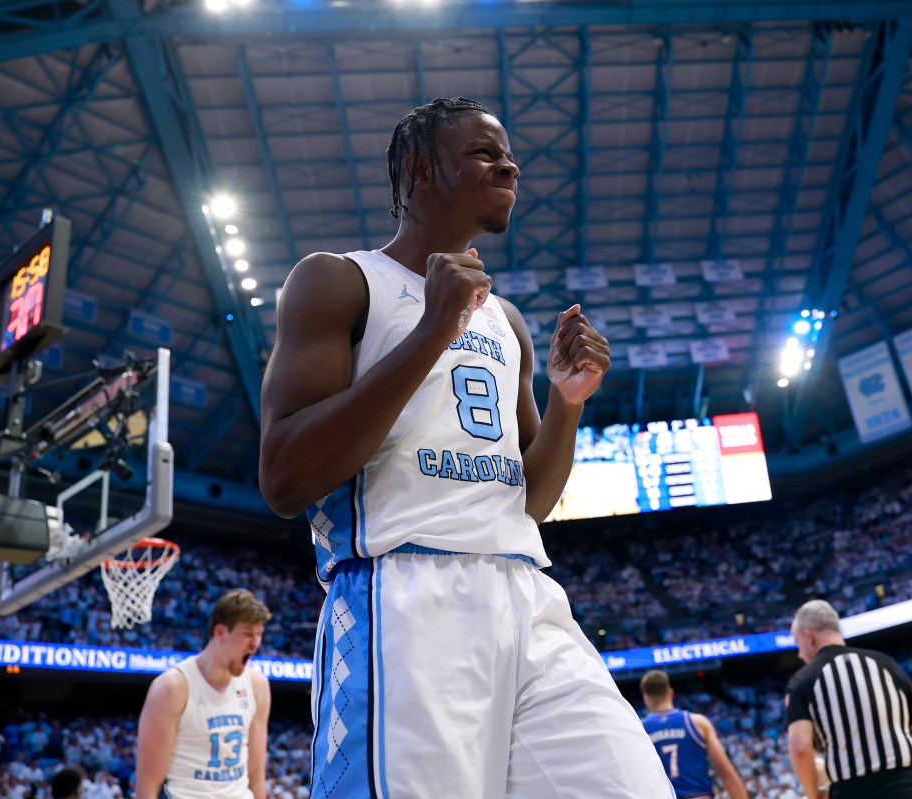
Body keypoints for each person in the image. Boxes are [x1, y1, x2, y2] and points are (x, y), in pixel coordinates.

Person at [258, 97, 673, 798]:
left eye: (506, 152)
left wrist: (567, 403)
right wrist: (431, 331)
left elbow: (531, 499)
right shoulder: (339, 280)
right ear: (421, 169)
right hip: (405, 598)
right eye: (484, 152)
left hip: (528, 594)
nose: (509, 163)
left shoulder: (506, 319)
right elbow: (284, 476)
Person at [785, 600, 912, 799]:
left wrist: (812, 795)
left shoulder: (803, 681)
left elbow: (800, 749)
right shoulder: (885, 664)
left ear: (809, 637)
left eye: (798, 644)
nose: (800, 655)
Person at [134, 589, 272, 799]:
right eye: (247, 634)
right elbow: (147, 788)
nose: (255, 644)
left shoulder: (257, 685)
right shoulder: (172, 688)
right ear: (220, 633)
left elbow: (256, 776)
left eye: (259, 634)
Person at [639, 670, 749, 799]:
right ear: (671, 693)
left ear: (645, 697)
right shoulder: (697, 723)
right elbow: (725, 770)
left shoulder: (639, 729)